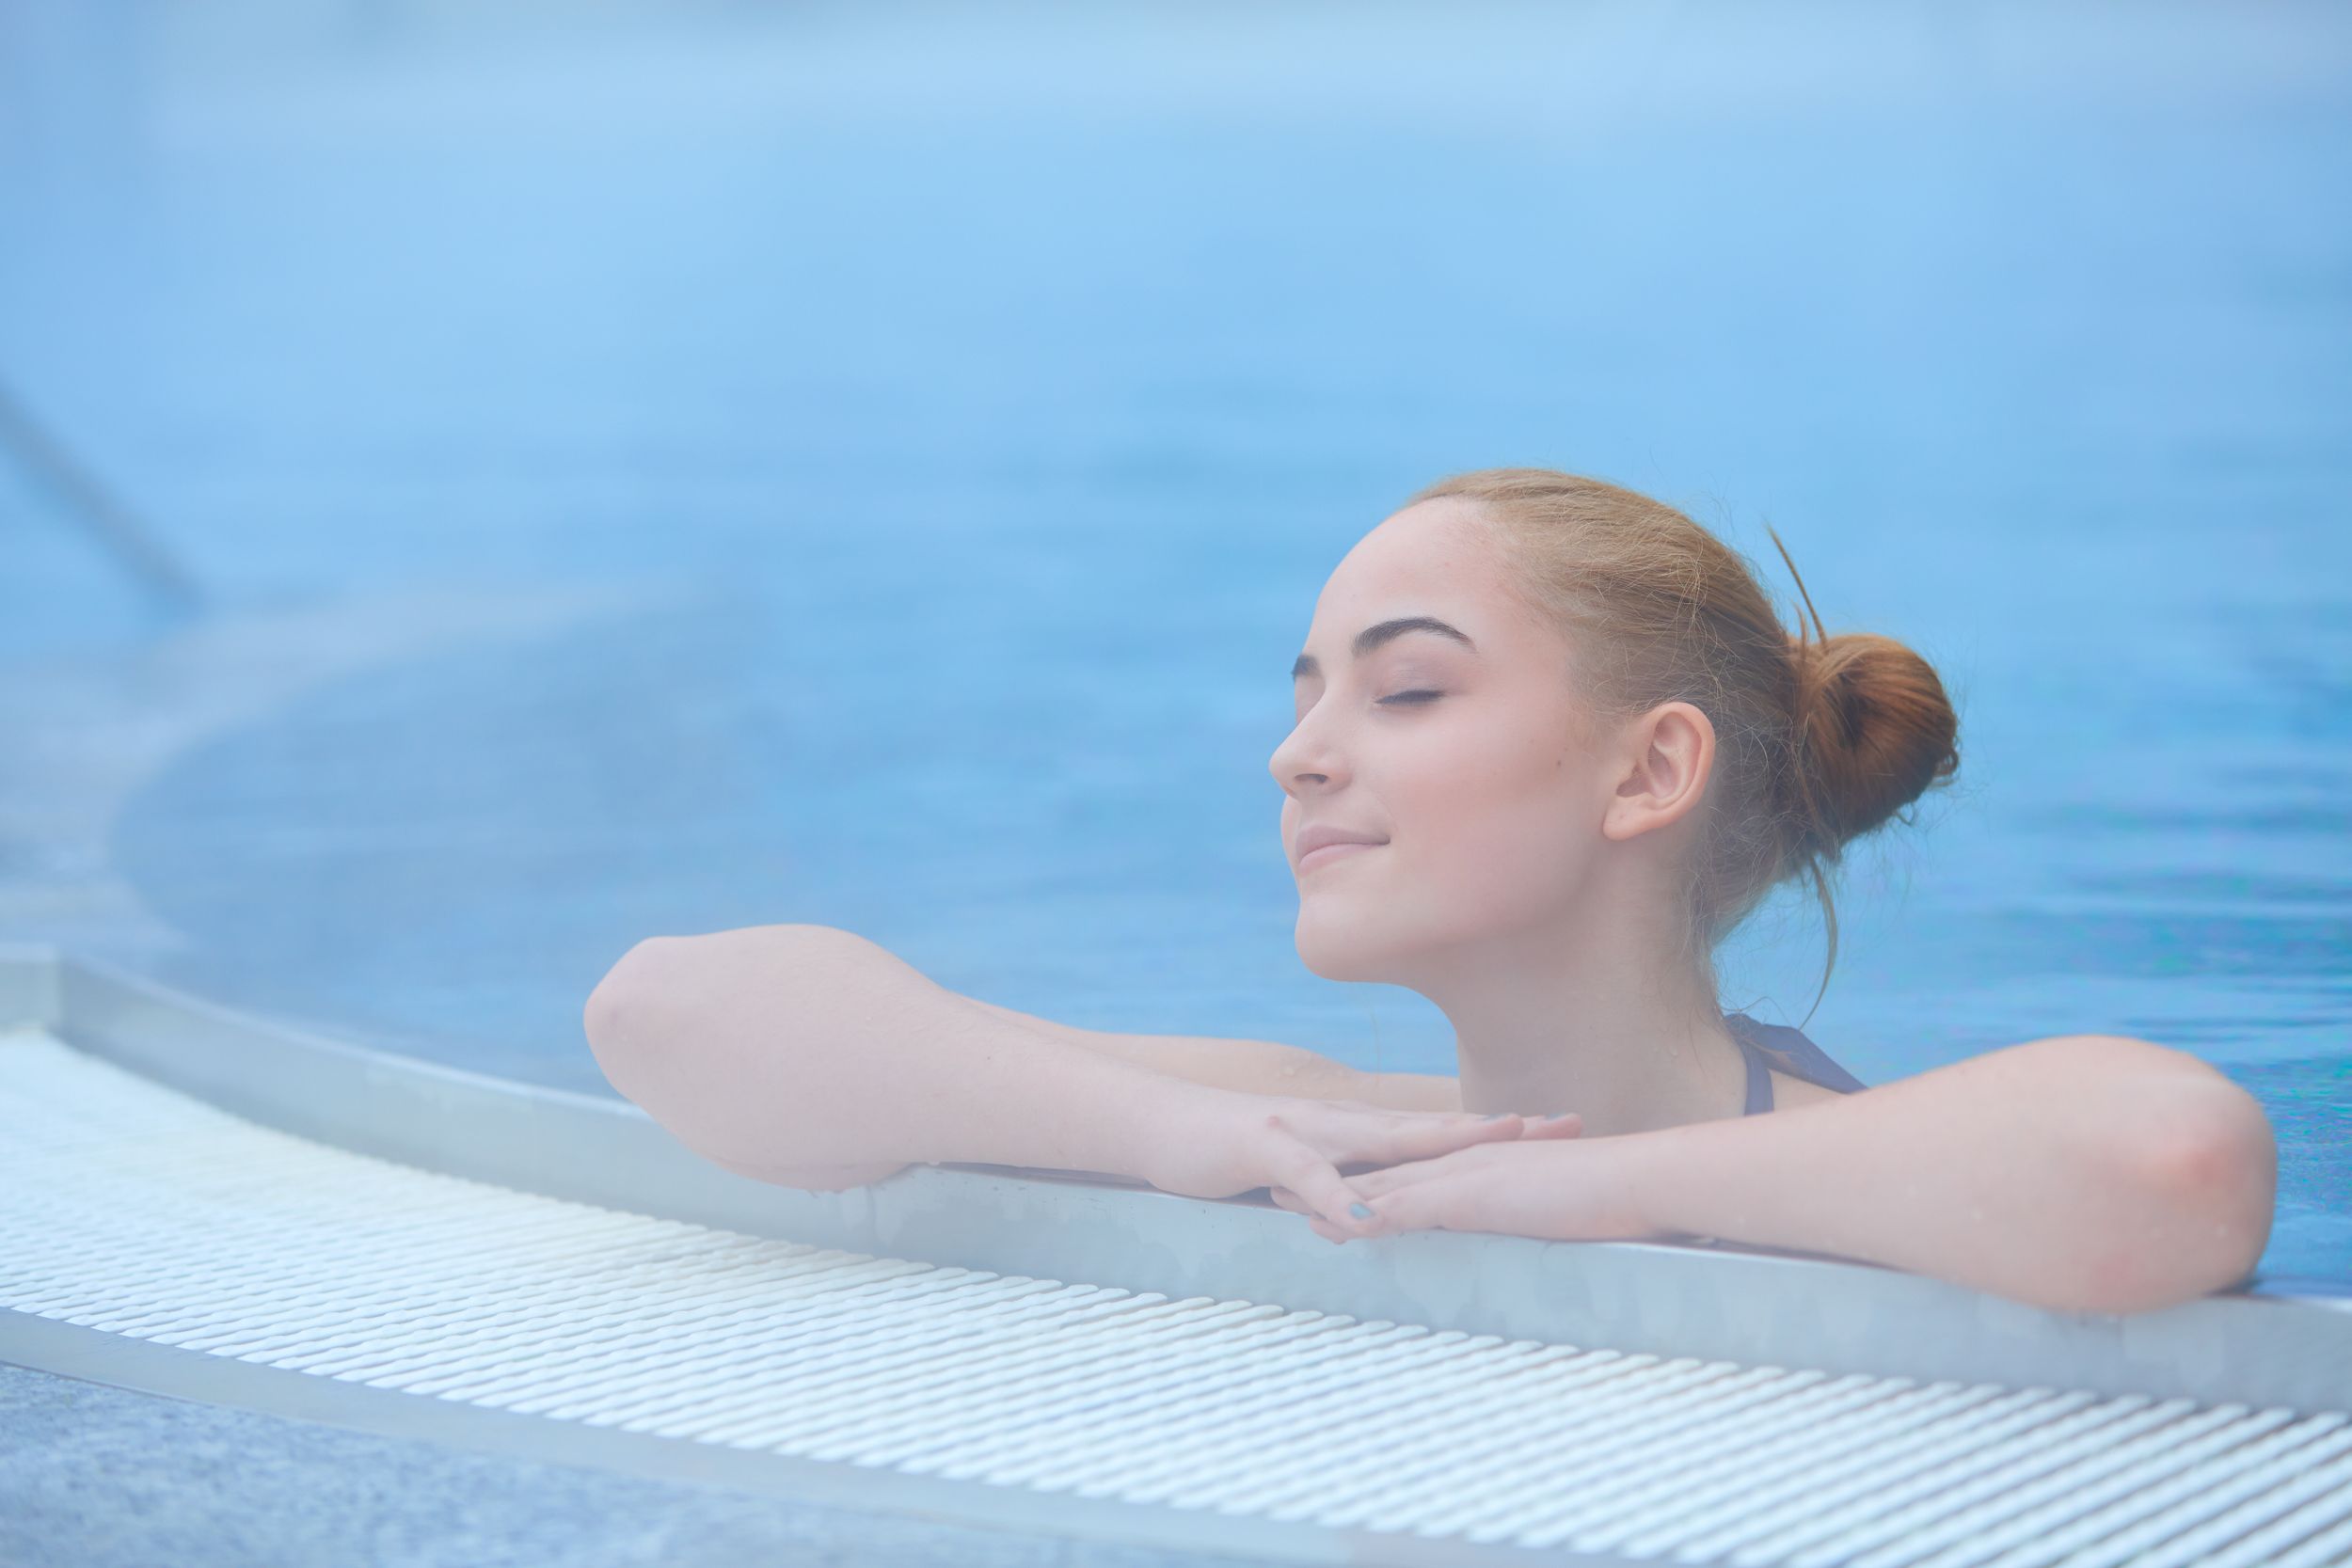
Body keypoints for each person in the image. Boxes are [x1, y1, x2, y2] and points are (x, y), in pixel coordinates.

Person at [584, 468, 2277, 1314]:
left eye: (1404, 692)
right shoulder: (1341, 1129)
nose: (1298, 757)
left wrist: (1584, 1193)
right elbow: (670, 1011)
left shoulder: (1845, 1159)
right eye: (1306, 691)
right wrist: (1165, 1132)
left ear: (1647, 773)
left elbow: (2172, 1157)